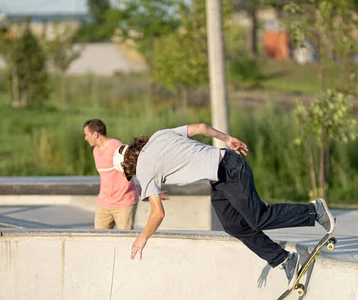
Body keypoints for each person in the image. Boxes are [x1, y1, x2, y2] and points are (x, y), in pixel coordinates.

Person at [113, 123, 335, 288]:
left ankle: (314, 211)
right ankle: (284, 259)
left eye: (128, 173)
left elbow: (157, 214)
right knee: (232, 225)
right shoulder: (159, 137)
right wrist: (227, 138)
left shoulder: (144, 169)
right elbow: (201, 127)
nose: (132, 175)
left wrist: (142, 238)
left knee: (258, 217)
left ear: (127, 165)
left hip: (229, 173)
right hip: (223, 171)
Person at [83, 118, 139, 230]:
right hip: (103, 203)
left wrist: (152, 190)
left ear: (95, 134)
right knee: (99, 240)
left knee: (124, 240)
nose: (85, 138)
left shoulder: (116, 147)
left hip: (124, 202)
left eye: (87, 134)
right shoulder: (95, 151)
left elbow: (135, 166)